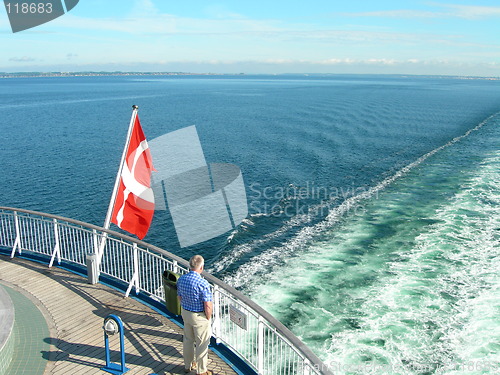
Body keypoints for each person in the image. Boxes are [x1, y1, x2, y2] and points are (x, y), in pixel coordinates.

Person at [177, 255, 213, 375]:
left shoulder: (181, 279)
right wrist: (208, 318)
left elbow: (179, 297)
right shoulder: (203, 283)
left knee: (188, 340)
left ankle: (188, 365)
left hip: (186, 313)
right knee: (202, 343)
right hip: (199, 316)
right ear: (201, 267)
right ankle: (201, 371)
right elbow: (207, 305)